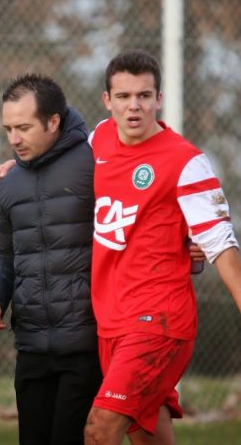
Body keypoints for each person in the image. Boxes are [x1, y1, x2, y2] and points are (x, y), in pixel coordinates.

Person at [84, 49, 241, 445]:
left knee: (101, 427)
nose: (133, 106)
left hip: (159, 321)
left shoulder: (186, 162)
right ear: (107, 100)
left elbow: (221, 245)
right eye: (123, 96)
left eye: (143, 95)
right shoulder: (98, 138)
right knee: (146, 435)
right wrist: (18, 168)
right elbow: (57, 156)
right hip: (111, 319)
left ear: (159, 99)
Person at [0, 74, 102, 445]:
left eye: (24, 128)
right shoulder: (9, 183)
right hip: (31, 345)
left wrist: (188, 247)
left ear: (53, 121)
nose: (14, 139)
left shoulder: (97, 163)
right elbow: (0, 254)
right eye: (8, 129)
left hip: (86, 343)